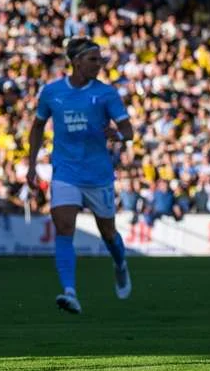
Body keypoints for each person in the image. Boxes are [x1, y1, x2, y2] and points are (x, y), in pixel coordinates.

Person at [26, 37, 134, 314]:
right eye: (93, 59)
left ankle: (120, 262)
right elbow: (37, 126)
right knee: (64, 227)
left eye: (99, 60)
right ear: (76, 62)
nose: (99, 65)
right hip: (65, 171)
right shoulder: (51, 92)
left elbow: (128, 131)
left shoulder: (106, 94)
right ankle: (69, 291)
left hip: (98, 175)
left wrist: (118, 134)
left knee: (108, 233)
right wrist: (31, 164)